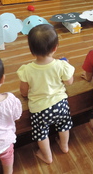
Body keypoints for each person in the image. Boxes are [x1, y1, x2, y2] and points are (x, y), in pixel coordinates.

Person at [17, 24, 74, 164]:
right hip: (61, 105)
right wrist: (66, 67)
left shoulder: (26, 70)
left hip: (39, 109)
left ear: (31, 50)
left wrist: (26, 95)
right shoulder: (61, 65)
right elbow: (69, 82)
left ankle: (47, 156)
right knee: (64, 125)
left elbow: (23, 91)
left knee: (41, 133)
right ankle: (64, 146)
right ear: (55, 48)